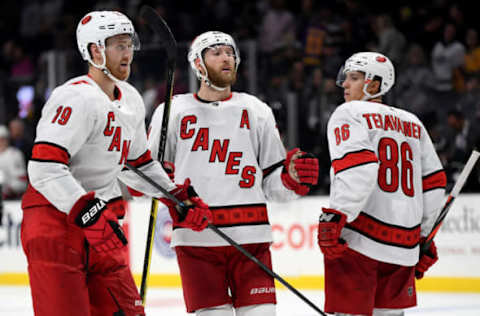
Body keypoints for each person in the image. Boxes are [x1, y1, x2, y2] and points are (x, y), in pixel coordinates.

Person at [20, 11, 211, 316]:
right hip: (55, 225)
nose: (128, 53)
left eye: (129, 44)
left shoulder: (131, 100)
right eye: (118, 45)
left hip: (103, 227)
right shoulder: (74, 98)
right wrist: (86, 211)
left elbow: (138, 165)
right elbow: (45, 168)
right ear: (95, 51)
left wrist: (174, 197)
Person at [147, 31, 319, 316]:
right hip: (196, 242)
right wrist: (174, 201)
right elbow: (149, 173)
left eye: (230, 52)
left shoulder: (257, 110)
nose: (226, 57)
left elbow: (273, 184)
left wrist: (292, 179)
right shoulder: (172, 111)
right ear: (198, 64)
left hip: (251, 240)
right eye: (215, 52)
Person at [317, 52, 446, 316]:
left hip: (359, 240)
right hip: (403, 245)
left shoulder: (349, 112)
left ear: (374, 84)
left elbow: (358, 168)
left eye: (353, 78)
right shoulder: (413, 123)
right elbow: (434, 183)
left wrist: (337, 215)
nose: (344, 84)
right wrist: (424, 235)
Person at [0, 124, 27, 199]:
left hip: (13, 197)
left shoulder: (15, 154)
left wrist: (9, 189)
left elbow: (22, 181)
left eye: (3, 139)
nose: (1, 142)